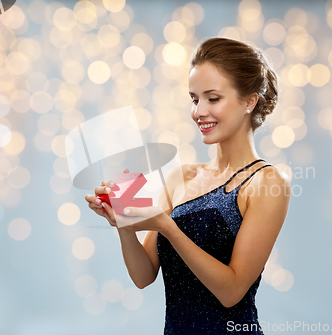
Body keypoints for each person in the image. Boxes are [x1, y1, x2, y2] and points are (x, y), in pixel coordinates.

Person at [85, 37, 291, 334]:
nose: (199, 111)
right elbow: (143, 276)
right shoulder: (181, 178)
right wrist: (125, 223)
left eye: (213, 98)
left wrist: (167, 227)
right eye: (195, 99)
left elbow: (231, 291)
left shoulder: (267, 182)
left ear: (249, 101)